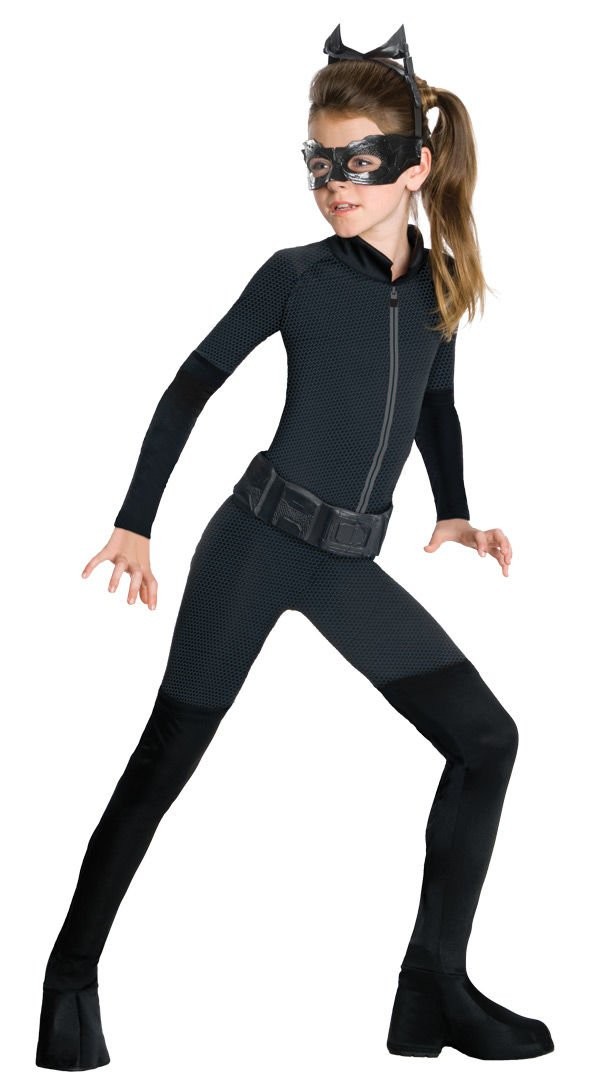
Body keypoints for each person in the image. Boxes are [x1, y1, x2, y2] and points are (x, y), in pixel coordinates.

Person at [35, 22, 554, 1069]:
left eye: (357, 163)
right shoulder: (295, 275)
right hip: (257, 543)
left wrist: (454, 508)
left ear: (414, 167)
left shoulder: (440, 286)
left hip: (346, 563)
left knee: (485, 740)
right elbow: (191, 385)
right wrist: (136, 519)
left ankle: (433, 990)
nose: (333, 185)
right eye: (319, 163)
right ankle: (68, 982)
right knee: (163, 765)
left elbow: (435, 408)